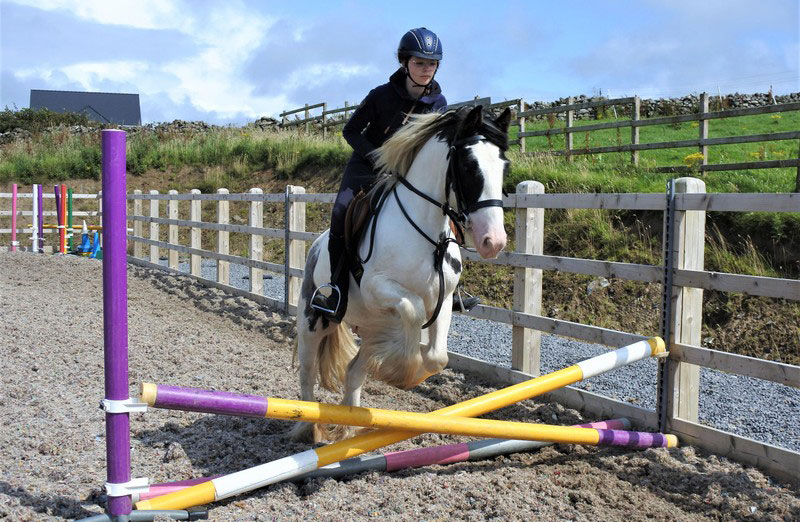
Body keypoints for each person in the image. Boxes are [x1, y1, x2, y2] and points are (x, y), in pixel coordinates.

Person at [311, 27, 480, 322]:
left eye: (432, 64)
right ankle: (335, 288)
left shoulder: (439, 104)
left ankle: (451, 288)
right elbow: (349, 131)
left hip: (407, 172)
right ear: (405, 63)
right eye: (420, 62)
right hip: (367, 167)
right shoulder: (380, 96)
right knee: (340, 213)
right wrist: (375, 156)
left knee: (447, 216)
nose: (427, 69)